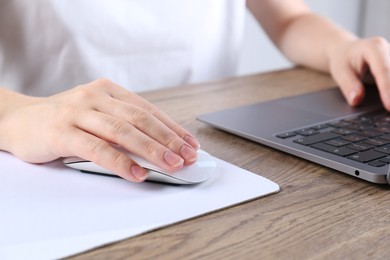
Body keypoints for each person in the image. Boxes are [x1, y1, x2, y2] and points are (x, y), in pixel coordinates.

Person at [0, 0, 389, 183]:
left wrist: (341, 46)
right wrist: (13, 113)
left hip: (207, 142)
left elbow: (289, 18)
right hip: (48, 154)